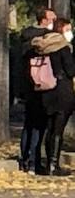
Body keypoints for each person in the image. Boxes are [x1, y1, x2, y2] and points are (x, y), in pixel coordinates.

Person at [18, 7, 56, 173]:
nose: (54, 22)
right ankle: (34, 161)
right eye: (52, 19)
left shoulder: (26, 37)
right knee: (39, 126)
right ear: (45, 20)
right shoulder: (46, 40)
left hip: (28, 84)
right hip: (43, 85)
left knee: (29, 123)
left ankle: (25, 158)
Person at [38, 17, 74, 176]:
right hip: (62, 90)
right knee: (58, 128)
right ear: (61, 30)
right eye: (68, 29)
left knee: (50, 127)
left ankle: (47, 163)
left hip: (46, 89)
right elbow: (71, 70)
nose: (70, 32)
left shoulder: (44, 45)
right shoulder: (63, 48)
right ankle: (53, 164)